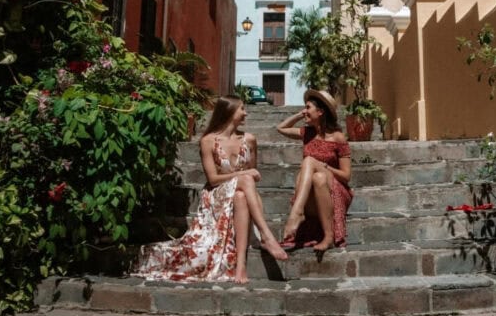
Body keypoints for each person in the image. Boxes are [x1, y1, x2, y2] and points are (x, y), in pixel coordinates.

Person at [133, 94, 287, 283]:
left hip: (243, 196)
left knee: (241, 195)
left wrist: (244, 177)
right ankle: (265, 235)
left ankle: (241, 267)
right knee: (245, 180)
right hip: (216, 196)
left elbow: (252, 174)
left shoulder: (250, 140)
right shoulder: (208, 141)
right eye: (242, 109)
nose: (246, 113)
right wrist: (242, 175)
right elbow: (213, 179)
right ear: (229, 111)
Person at [277, 89, 353, 252]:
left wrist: (325, 167)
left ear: (320, 112)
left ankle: (297, 213)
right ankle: (327, 236)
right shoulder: (307, 133)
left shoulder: (338, 138)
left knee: (310, 162)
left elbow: (346, 176)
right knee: (318, 178)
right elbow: (281, 128)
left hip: (336, 191)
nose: (305, 111)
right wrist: (299, 115)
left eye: (308, 107)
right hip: (314, 193)